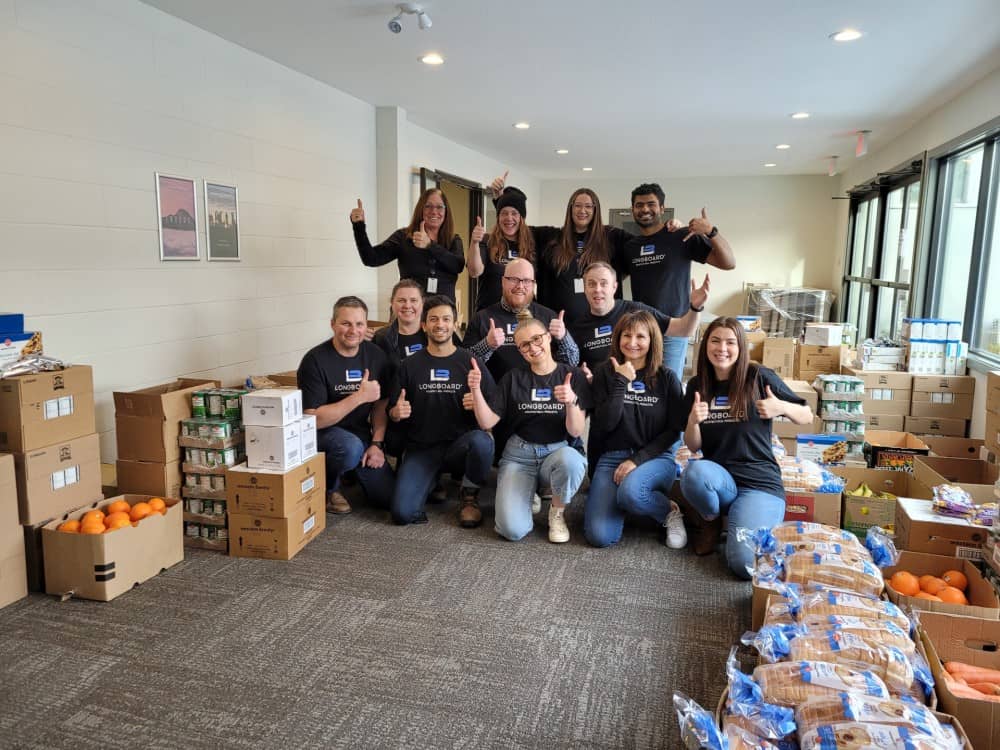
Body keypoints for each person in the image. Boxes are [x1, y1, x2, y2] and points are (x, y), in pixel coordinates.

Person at [679, 317, 813, 578]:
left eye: (730, 342)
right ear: (706, 345)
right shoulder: (698, 385)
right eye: (715, 341)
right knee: (694, 474)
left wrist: (782, 407)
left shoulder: (758, 376)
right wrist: (693, 421)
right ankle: (711, 520)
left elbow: (807, 415)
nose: (722, 348)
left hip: (759, 484)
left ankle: (742, 519)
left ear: (741, 347)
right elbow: (693, 446)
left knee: (744, 566)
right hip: (721, 480)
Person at [469, 318, 590, 543]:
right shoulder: (513, 378)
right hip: (519, 454)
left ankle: (557, 512)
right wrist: (475, 390)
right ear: (519, 350)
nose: (532, 348)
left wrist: (571, 401)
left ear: (548, 337)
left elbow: (575, 431)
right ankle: (527, 492)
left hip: (557, 452)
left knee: (572, 462)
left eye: (536, 339)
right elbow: (487, 422)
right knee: (511, 530)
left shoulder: (572, 375)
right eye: (524, 345)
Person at [387, 295, 496, 528]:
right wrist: (397, 412)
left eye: (446, 319)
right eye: (434, 319)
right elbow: (391, 412)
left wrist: (478, 404)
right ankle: (431, 480)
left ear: (454, 324)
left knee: (482, 441)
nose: (440, 324)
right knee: (402, 514)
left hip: (460, 447)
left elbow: (493, 411)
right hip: (422, 448)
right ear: (424, 325)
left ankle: (469, 495)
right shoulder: (409, 365)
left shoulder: (471, 362)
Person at [585, 311, 688, 549]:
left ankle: (669, 511)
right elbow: (605, 424)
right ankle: (627, 502)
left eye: (640, 336)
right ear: (617, 338)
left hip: (655, 457)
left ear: (652, 341)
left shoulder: (667, 378)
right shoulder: (604, 372)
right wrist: (621, 381)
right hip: (612, 458)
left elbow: (675, 431)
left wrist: (637, 460)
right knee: (599, 536)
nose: (632, 342)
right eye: (626, 335)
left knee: (631, 492)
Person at [622, 183, 735, 377]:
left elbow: (728, 262)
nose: (645, 209)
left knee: (669, 385)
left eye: (651, 204)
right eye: (639, 205)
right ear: (633, 209)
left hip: (674, 329)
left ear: (662, 208)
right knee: (641, 386)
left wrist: (711, 231)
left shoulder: (681, 236)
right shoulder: (631, 246)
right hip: (642, 329)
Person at [297, 296, 395, 514]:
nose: (353, 330)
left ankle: (348, 470)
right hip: (321, 434)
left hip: (359, 434)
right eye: (346, 323)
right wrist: (358, 397)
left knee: (389, 498)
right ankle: (329, 490)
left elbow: (381, 406)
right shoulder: (314, 361)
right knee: (349, 448)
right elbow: (313, 420)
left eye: (359, 324)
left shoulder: (376, 356)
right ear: (332, 324)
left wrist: (377, 444)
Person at [570, 261, 710, 374]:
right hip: (602, 395)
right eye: (591, 284)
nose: (597, 289)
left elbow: (683, 330)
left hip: (640, 393)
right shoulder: (577, 328)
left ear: (614, 287)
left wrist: (695, 308)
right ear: (585, 288)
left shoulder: (636, 311)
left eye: (604, 283)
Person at [462, 258, 579, 384]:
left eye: (527, 281)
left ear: (534, 284)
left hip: (542, 397)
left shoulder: (549, 316)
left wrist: (564, 337)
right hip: (498, 397)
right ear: (503, 281)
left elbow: (572, 362)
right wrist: (487, 345)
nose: (520, 286)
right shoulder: (482, 318)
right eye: (513, 279)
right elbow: (463, 365)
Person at [351, 189, 465, 301]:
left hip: (441, 314)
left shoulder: (453, 240)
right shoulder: (403, 237)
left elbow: (458, 265)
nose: (434, 211)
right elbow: (371, 258)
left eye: (439, 207)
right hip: (409, 311)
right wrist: (358, 226)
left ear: (446, 211)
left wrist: (430, 245)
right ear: (421, 209)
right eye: (428, 206)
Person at [466, 188, 539, 311]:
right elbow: (474, 272)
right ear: (498, 217)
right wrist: (474, 243)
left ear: (521, 218)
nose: (509, 218)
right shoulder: (487, 241)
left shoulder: (532, 244)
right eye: (504, 213)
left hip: (523, 316)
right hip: (490, 315)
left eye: (514, 213)